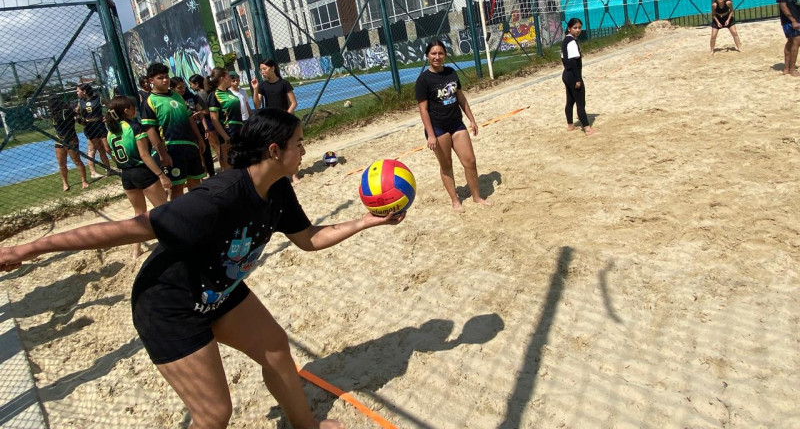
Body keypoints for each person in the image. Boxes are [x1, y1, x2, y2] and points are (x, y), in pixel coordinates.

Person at [0, 109, 405, 429]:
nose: (306, 150)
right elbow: (118, 232)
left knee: (277, 350)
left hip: (219, 292)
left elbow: (309, 238)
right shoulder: (218, 196)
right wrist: (30, 248)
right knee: (214, 415)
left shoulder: (278, 188)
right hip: (169, 306)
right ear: (274, 150)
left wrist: (368, 221)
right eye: (299, 143)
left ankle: (306, 427)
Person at [415, 40, 492, 212]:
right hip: (437, 128)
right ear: (427, 56)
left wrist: (471, 119)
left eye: (440, 53)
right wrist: (431, 134)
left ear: (445, 55)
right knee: (446, 165)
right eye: (433, 54)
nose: (437, 57)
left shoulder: (451, 72)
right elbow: (423, 110)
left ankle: (476, 197)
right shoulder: (423, 80)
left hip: (456, 124)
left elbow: (461, 98)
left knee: (470, 161)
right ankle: (455, 201)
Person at [105, 96, 172, 260]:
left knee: (138, 212)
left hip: (126, 175)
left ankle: (136, 251)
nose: (135, 109)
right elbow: (144, 155)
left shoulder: (111, 130)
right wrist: (161, 175)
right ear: (126, 110)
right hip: (142, 172)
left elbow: (110, 151)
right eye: (133, 107)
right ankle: (170, 243)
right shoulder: (135, 127)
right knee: (163, 210)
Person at [141, 62, 206, 199]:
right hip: (171, 150)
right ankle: (179, 218)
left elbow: (190, 118)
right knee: (177, 188)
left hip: (189, 146)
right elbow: (150, 130)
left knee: (196, 182)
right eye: (160, 77)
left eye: (166, 76)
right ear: (151, 80)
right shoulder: (150, 101)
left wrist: (199, 139)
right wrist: (162, 154)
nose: (165, 80)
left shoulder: (177, 96)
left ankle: (198, 213)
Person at [250, 60, 300, 182]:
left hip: (284, 120)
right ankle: (280, 174)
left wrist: (286, 116)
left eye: (264, 68)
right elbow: (257, 105)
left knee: (290, 146)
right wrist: (255, 89)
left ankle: (294, 174)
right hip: (271, 122)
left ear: (272, 68)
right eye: (261, 69)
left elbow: (293, 103)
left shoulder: (284, 83)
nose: (262, 71)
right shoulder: (263, 85)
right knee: (274, 149)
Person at [173, 76, 215, 178]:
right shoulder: (173, 101)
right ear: (172, 88)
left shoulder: (191, 97)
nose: (182, 89)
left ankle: (212, 174)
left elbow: (201, 113)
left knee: (206, 151)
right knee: (195, 155)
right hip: (186, 131)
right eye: (179, 87)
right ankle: (199, 175)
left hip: (199, 127)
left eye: (183, 86)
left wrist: (206, 128)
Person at [561, 18, 596, 136]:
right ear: (569, 28)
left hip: (566, 74)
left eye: (579, 28)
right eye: (575, 28)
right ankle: (587, 129)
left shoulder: (565, 40)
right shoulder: (571, 42)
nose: (578, 30)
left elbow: (563, 59)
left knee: (570, 100)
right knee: (580, 102)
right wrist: (577, 79)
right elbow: (573, 62)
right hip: (572, 75)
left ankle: (570, 125)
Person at [49, 94, 89, 191]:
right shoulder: (54, 114)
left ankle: (84, 181)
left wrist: (75, 113)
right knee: (61, 163)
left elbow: (78, 121)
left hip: (71, 139)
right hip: (59, 139)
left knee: (77, 161)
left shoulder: (66, 111)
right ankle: (65, 183)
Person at [207, 68, 242, 171]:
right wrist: (226, 137)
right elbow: (214, 119)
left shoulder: (229, 93)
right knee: (229, 165)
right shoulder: (214, 95)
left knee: (241, 162)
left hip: (239, 130)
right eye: (228, 76)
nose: (231, 78)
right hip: (228, 132)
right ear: (222, 78)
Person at [75, 82, 112, 178]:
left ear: (84, 91)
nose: (77, 93)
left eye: (78, 91)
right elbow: (76, 112)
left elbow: (110, 105)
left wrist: (108, 116)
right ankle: (93, 172)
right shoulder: (80, 102)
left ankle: (109, 169)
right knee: (94, 150)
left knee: (107, 148)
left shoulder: (98, 99)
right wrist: (78, 119)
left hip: (100, 125)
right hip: (89, 127)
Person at [190, 73, 222, 166]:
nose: (190, 86)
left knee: (216, 146)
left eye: (191, 84)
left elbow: (207, 110)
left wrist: (198, 113)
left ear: (196, 84)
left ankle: (223, 166)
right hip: (214, 121)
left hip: (209, 122)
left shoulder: (201, 94)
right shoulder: (208, 92)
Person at [777, 0, 800, 76]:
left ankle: (786, 68)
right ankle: (791, 69)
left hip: (796, 16)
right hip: (789, 19)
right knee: (796, 40)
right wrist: (793, 20)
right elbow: (783, 5)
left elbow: (794, 3)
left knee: (791, 41)